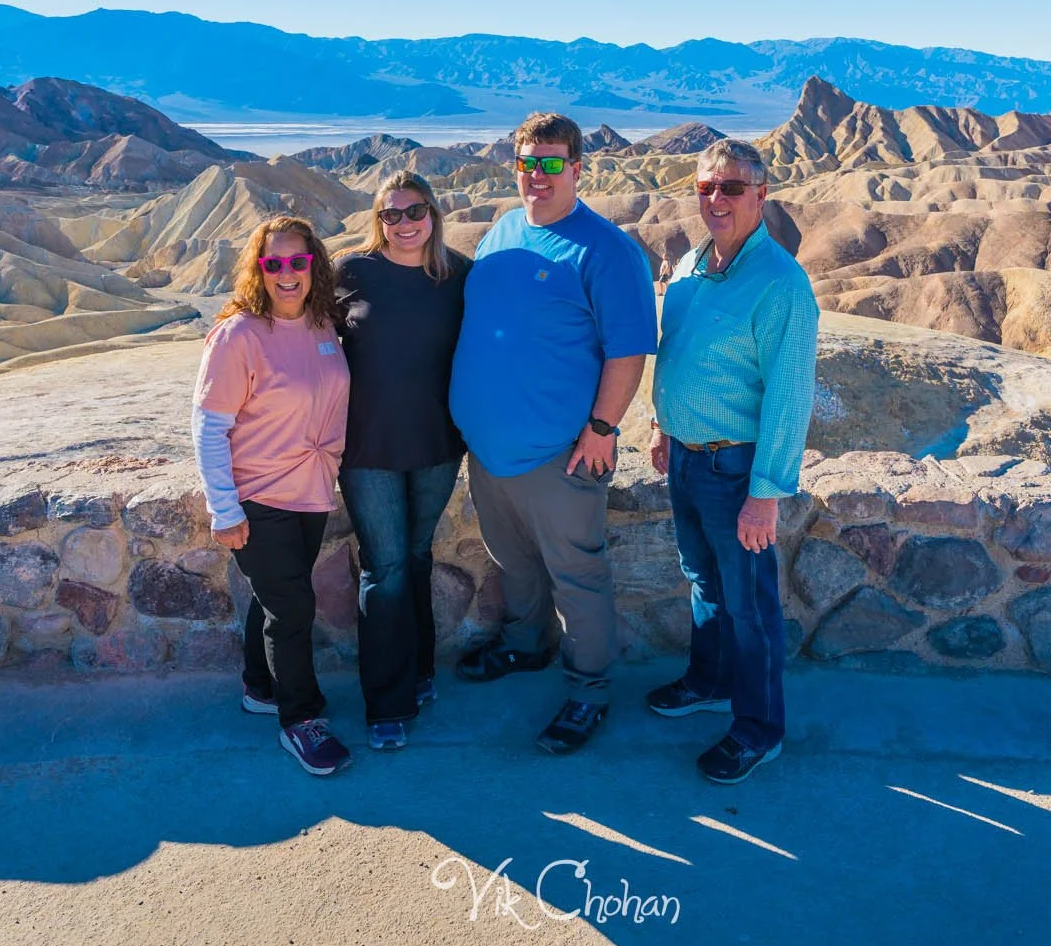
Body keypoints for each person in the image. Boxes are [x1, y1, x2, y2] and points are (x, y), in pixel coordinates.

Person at [449, 111, 658, 755]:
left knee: (578, 574)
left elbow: (628, 353)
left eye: (550, 164)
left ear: (577, 168)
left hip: (562, 455)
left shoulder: (604, 250)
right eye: (526, 164)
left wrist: (601, 429)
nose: (536, 176)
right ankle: (524, 647)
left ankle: (589, 691)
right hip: (488, 452)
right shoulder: (503, 232)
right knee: (513, 562)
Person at [647, 139, 819, 784]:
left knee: (750, 605)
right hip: (687, 460)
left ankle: (758, 729)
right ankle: (709, 682)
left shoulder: (780, 284)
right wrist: (663, 427)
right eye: (706, 188)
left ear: (761, 195)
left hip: (736, 470)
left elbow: (789, 393)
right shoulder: (693, 265)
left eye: (732, 189)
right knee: (703, 582)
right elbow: (677, 354)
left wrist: (766, 492)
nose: (716, 199)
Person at [192, 215, 353, 777]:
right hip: (258, 496)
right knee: (292, 607)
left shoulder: (321, 325)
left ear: (314, 267)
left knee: (271, 597)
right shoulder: (239, 336)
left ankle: (260, 688)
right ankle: (300, 720)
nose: (288, 274)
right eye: (274, 263)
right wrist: (223, 507)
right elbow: (209, 427)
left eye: (298, 262)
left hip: (310, 492)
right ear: (259, 270)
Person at [334, 171, 470, 752]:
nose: (405, 223)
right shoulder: (350, 272)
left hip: (438, 444)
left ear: (433, 213)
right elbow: (301, 336)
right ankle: (385, 703)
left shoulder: (459, 275)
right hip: (367, 449)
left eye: (416, 211)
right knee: (383, 568)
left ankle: (419, 672)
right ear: (377, 220)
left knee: (416, 557)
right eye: (392, 215)